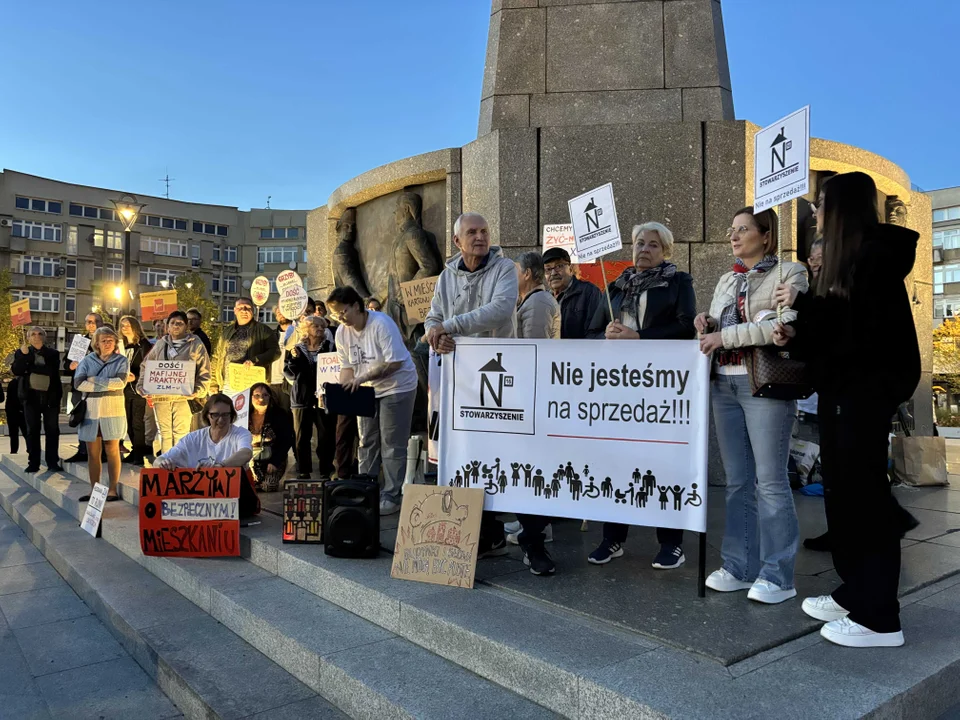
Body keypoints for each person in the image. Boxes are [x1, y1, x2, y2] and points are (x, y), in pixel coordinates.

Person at [774, 172, 919, 648]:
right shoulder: (848, 261)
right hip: (843, 394)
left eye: (820, 205)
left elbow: (859, 338)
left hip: (862, 397)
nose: (814, 214)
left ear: (841, 209)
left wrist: (804, 311)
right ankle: (856, 589)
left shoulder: (872, 259)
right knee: (843, 497)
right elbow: (836, 332)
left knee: (863, 502)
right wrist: (798, 329)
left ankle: (879, 617)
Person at [696, 206, 808, 604]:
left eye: (743, 229)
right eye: (731, 230)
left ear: (766, 235)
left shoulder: (790, 273)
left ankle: (778, 575)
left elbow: (777, 327)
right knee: (738, 481)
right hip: (722, 386)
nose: (733, 236)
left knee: (771, 483)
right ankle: (738, 567)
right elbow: (719, 325)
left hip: (763, 384)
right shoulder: (728, 277)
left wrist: (722, 338)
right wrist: (706, 322)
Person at [584, 222, 696, 569]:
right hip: (618, 390)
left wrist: (639, 336)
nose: (643, 249)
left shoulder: (678, 282)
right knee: (616, 462)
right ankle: (613, 537)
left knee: (663, 463)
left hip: (661, 388)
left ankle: (672, 543)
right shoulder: (615, 287)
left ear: (666, 251)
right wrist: (605, 334)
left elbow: (686, 325)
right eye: (638, 243)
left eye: (652, 245)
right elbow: (589, 332)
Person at [424, 212, 518, 559]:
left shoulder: (505, 268)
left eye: (484, 231)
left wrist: (450, 326)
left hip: (497, 375)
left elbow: (500, 308)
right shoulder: (446, 276)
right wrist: (436, 335)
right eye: (472, 232)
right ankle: (469, 530)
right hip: (458, 378)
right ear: (456, 241)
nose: (480, 237)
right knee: (463, 451)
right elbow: (432, 317)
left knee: (494, 453)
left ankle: (494, 530)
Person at [329, 286, 419, 515]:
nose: (340, 317)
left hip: (396, 386)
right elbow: (347, 367)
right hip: (366, 389)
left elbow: (394, 363)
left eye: (343, 311)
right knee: (366, 440)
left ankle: (392, 494)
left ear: (357, 306)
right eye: (336, 314)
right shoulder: (342, 332)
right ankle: (366, 487)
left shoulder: (381, 324)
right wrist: (342, 390)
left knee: (391, 442)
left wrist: (362, 378)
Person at [509, 251, 561, 574]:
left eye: (515, 271)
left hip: (535, 398)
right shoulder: (529, 302)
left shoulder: (539, 304)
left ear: (528, 273)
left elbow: (535, 352)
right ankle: (533, 530)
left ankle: (534, 537)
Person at [138, 310, 211, 453]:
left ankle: (179, 468)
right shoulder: (160, 344)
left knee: (181, 433)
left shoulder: (196, 344)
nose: (176, 326)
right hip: (162, 397)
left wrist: (198, 390)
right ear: (167, 326)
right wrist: (142, 385)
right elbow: (146, 365)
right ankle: (166, 467)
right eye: (173, 323)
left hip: (183, 397)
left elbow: (205, 370)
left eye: (180, 323)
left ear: (186, 326)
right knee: (164, 434)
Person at [74, 326, 129, 501]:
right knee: (92, 453)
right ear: (96, 343)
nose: (107, 343)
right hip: (92, 412)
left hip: (113, 411)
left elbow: (120, 383)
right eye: (103, 340)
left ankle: (112, 489)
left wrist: (95, 380)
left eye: (110, 340)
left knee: (112, 450)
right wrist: (106, 383)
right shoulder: (87, 361)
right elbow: (78, 383)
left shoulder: (121, 361)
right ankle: (94, 490)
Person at [283, 315, 336, 479]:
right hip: (301, 397)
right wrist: (294, 359)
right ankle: (303, 470)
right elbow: (288, 373)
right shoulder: (296, 349)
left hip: (324, 397)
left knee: (326, 435)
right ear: (307, 330)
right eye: (316, 327)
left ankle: (326, 470)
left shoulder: (330, 347)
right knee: (301, 436)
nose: (320, 330)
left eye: (322, 327)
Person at [155, 394, 253, 470]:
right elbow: (158, 461)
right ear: (207, 415)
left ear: (231, 415)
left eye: (225, 415)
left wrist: (220, 467)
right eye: (215, 415)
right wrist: (163, 464)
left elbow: (246, 453)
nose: (220, 420)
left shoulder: (241, 433)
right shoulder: (193, 438)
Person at [12, 327, 63, 473]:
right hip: (30, 398)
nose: (36, 336)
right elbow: (17, 371)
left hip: (50, 398)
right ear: (28, 337)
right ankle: (33, 462)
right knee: (32, 430)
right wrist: (24, 356)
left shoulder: (52, 353)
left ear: (45, 337)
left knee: (52, 430)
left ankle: (52, 461)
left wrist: (30, 367)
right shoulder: (22, 352)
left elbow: (50, 371)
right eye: (33, 334)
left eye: (40, 333)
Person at [62, 312, 104, 463]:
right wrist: (71, 365)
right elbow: (66, 364)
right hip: (80, 388)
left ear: (101, 323)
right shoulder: (80, 342)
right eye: (88, 322)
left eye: (95, 321)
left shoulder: (106, 340)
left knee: (99, 420)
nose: (91, 324)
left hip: (99, 387)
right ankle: (82, 450)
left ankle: (101, 452)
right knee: (81, 419)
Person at [216, 297, 280, 392]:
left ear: (253, 310)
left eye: (247, 308)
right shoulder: (226, 332)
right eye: (240, 308)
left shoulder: (264, 330)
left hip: (253, 385)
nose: (244, 311)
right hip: (228, 385)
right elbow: (217, 356)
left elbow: (275, 352)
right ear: (235, 311)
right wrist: (214, 383)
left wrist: (256, 360)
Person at [542, 247, 602, 339]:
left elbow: (594, 333)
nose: (553, 273)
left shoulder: (589, 292)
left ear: (570, 269)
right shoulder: (544, 298)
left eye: (559, 266)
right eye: (548, 269)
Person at [118, 316, 153, 465]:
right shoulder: (121, 346)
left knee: (137, 422)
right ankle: (135, 450)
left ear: (135, 327)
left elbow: (150, 367)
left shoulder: (144, 345)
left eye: (127, 325)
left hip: (138, 388)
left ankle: (138, 454)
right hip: (123, 388)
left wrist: (137, 377)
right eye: (122, 325)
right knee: (128, 422)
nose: (124, 328)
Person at [247, 382, 293, 492]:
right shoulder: (245, 415)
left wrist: (275, 462)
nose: (261, 398)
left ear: (270, 397)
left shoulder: (279, 414)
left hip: (271, 460)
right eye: (257, 395)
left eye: (265, 395)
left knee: (269, 486)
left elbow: (286, 440)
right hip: (249, 459)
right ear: (250, 397)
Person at [515, 252, 560, 341]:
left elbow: (533, 348)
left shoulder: (538, 302)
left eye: (514, 271)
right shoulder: (533, 299)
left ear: (527, 274)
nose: (510, 276)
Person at [4, 376, 28, 455]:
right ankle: (29, 449)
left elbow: (8, 399)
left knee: (14, 433)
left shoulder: (13, 382)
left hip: (13, 412)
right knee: (25, 432)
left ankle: (14, 451)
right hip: (20, 411)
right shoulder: (23, 381)